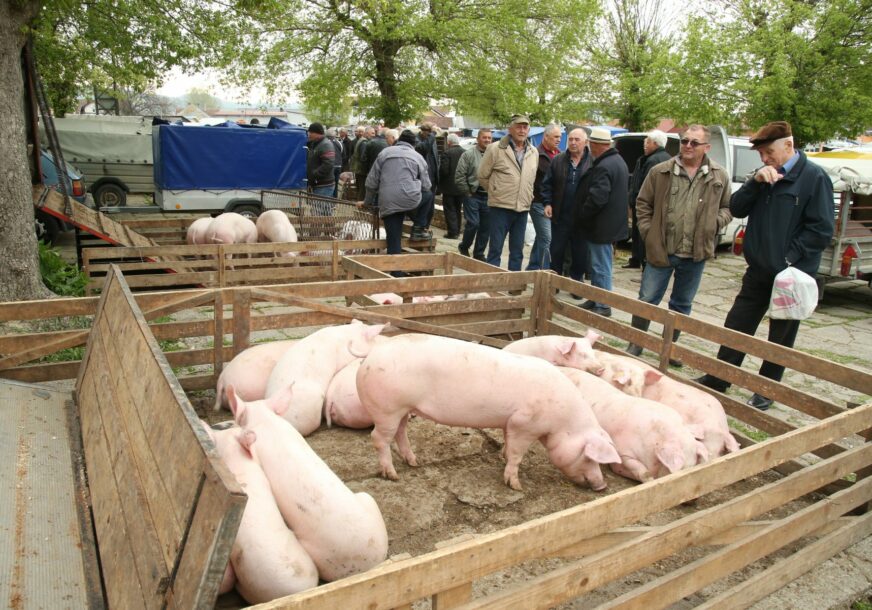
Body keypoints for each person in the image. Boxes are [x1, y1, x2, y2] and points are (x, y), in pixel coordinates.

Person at [696, 121, 834, 410]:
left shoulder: (814, 178)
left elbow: (820, 230)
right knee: (737, 324)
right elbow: (736, 208)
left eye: (769, 152)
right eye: (761, 154)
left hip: (791, 275)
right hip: (758, 270)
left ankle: (766, 389)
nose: (765, 159)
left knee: (780, 334)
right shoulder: (763, 177)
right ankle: (721, 376)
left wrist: (787, 259)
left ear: (788, 145)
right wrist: (754, 182)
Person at [625, 125, 732, 361]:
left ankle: (669, 348)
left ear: (707, 147)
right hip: (662, 249)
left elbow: (728, 207)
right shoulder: (661, 171)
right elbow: (643, 204)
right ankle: (636, 343)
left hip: (695, 253)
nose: (688, 146)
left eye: (694, 142)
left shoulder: (719, 175)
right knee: (647, 299)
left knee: (682, 305)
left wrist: (714, 223)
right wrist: (648, 232)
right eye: (684, 141)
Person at [572, 127, 629, 317]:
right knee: (599, 264)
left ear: (596, 145)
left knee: (600, 266)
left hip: (602, 225)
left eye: (591, 145)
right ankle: (596, 298)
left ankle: (603, 304)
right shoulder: (617, 161)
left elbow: (598, 198)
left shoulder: (605, 165)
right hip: (608, 224)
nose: (590, 149)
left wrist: (582, 213)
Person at [362, 129, 433, 266]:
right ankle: (418, 228)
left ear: (398, 140)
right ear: (413, 144)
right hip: (410, 200)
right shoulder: (418, 157)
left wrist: (367, 202)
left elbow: (371, 182)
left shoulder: (384, 153)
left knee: (393, 240)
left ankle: (396, 273)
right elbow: (427, 186)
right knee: (428, 195)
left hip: (388, 202)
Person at [478, 114, 538, 270]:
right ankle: (492, 283)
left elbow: (531, 179)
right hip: (500, 207)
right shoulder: (495, 148)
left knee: (517, 250)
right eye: (518, 126)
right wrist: (496, 191)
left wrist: (528, 195)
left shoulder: (533, 152)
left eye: (525, 127)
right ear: (510, 129)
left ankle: (514, 283)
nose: (522, 130)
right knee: (495, 249)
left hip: (522, 208)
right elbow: (482, 176)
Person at [543, 127, 592, 288]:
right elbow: (547, 185)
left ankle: (576, 285)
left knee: (580, 254)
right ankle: (554, 284)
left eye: (577, 139)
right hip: (560, 215)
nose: (573, 142)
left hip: (582, 218)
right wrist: (547, 203)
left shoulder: (592, 162)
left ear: (585, 142)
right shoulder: (558, 160)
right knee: (556, 251)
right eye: (570, 139)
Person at [625, 130, 671, 269]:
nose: (644, 145)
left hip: (647, 205)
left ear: (656, 144)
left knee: (643, 234)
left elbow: (646, 185)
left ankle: (645, 264)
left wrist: (637, 200)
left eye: (648, 142)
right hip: (652, 204)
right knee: (638, 234)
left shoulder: (653, 161)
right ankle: (636, 260)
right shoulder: (664, 158)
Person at [454, 128, 493, 260]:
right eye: (484, 137)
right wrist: (467, 192)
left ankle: (479, 253)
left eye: (489, 138)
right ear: (478, 139)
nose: (487, 140)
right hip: (472, 195)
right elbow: (459, 175)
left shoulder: (494, 155)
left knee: (486, 227)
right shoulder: (468, 154)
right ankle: (464, 246)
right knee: (473, 224)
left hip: (489, 197)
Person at [527, 124, 561, 270]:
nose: (559, 139)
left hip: (552, 203)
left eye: (560, 136)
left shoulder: (559, 154)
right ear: (545, 137)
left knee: (541, 238)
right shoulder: (537, 154)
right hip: (538, 202)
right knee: (547, 238)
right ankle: (545, 273)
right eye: (556, 136)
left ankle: (532, 268)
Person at [438, 133, 466, 239]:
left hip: (449, 187)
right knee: (458, 209)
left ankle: (452, 232)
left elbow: (444, 170)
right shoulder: (465, 152)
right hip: (461, 187)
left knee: (450, 209)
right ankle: (457, 231)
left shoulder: (447, 153)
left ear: (449, 142)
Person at [306, 122, 336, 213]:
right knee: (326, 211)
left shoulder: (325, 145)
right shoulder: (315, 144)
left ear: (317, 133)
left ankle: (316, 227)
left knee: (317, 212)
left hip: (323, 184)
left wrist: (314, 175)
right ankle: (330, 226)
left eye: (310, 132)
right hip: (320, 184)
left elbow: (328, 164)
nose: (309, 134)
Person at [351, 126, 373, 196]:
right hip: (361, 170)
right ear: (366, 133)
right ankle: (360, 206)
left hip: (358, 169)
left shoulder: (361, 140)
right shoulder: (364, 142)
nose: (374, 135)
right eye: (372, 133)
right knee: (362, 190)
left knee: (360, 189)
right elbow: (363, 158)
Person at [326, 127, 343, 198]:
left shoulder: (326, 143)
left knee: (329, 183)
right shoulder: (339, 143)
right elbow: (342, 152)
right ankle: (335, 198)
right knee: (336, 183)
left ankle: (329, 198)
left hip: (330, 166)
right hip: (338, 166)